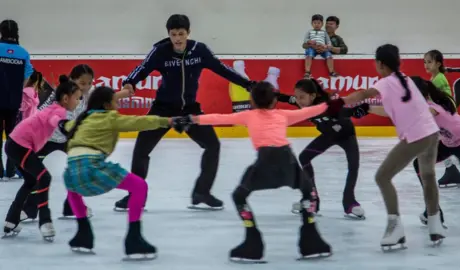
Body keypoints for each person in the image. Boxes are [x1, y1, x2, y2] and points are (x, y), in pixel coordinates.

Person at [114, 14, 255, 212]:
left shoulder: (200, 50)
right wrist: (130, 83)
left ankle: (202, 193)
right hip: (162, 110)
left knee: (213, 145)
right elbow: (142, 69)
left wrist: (248, 84)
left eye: (181, 34)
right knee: (141, 149)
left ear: (189, 33)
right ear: (169, 34)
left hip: (189, 110)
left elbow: (222, 69)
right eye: (174, 34)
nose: (178, 39)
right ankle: (135, 196)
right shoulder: (160, 51)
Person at [178, 81, 331, 262]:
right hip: (287, 159)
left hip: (266, 161)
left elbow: (220, 118)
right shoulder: (283, 115)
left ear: (252, 101)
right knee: (308, 192)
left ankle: (253, 242)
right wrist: (335, 103)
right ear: (273, 101)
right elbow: (312, 110)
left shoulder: (248, 116)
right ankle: (310, 238)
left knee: (238, 196)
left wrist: (191, 119)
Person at [326, 44, 445, 249]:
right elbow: (393, 110)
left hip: (417, 137)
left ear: (380, 64)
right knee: (428, 176)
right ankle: (435, 225)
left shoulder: (387, 82)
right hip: (431, 134)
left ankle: (395, 228)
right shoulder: (404, 80)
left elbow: (362, 94)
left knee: (382, 176)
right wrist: (369, 108)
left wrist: (337, 103)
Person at [62, 86, 181, 260]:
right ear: (107, 105)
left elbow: (65, 125)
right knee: (140, 186)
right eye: (115, 102)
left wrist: (60, 123)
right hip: (92, 167)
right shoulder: (110, 117)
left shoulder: (81, 119)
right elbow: (140, 122)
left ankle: (83, 233)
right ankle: (133, 238)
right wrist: (168, 121)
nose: (117, 106)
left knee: (73, 184)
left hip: (71, 171)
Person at [3, 75, 82, 242]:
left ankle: (11, 220)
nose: (78, 100)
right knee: (44, 177)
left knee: (31, 181)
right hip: (20, 145)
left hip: (14, 144)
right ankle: (45, 222)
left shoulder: (55, 107)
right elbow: (56, 121)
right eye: (76, 98)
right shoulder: (60, 111)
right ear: (66, 98)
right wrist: (68, 130)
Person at [277, 78, 367, 219]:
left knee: (353, 165)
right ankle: (313, 199)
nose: (299, 101)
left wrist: (361, 110)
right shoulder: (301, 103)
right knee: (304, 157)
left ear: (312, 96)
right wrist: (261, 91)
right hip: (329, 136)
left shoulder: (326, 106)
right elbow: (281, 97)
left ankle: (350, 203)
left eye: (302, 97)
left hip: (347, 135)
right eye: (297, 97)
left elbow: (345, 111)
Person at [21, 64, 95, 222]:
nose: (86, 87)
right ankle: (29, 209)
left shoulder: (90, 96)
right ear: (71, 80)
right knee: (37, 174)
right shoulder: (59, 94)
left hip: (68, 138)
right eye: (82, 83)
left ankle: (72, 207)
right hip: (46, 138)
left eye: (89, 83)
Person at [409, 76, 460, 232]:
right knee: (418, 164)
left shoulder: (432, 106)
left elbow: (428, 114)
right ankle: (433, 211)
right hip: (448, 144)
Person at [424, 50, 460, 187]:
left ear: (438, 63)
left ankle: (454, 170)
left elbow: (434, 100)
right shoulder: (435, 79)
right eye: (425, 62)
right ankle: (452, 170)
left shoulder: (439, 79)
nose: (426, 65)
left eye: (429, 62)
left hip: (445, 118)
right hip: (443, 118)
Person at [0, 19, 33, 180]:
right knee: (12, 136)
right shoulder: (23, 52)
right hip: (14, 100)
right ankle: (11, 170)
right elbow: (27, 77)